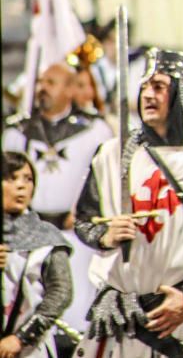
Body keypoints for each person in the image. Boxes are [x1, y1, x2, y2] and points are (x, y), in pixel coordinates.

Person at [73, 48, 183, 357]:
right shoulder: (112, 154)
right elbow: (84, 220)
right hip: (120, 316)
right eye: (145, 86)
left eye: (160, 87)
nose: (148, 94)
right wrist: (104, 234)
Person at [3, 63, 113, 339]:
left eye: (50, 82)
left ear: (70, 89)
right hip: (23, 235)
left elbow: (106, 181)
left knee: (73, 320)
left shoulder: (95, 130)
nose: (42, 87)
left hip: (74, 234)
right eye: (40, 81)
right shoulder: (17, 131)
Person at [1, 151, 74, 358]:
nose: (21, 186)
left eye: (28, 179)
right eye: (11, 178)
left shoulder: (45, 235)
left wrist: (21, 337)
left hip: (29, 349)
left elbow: (61, 293)